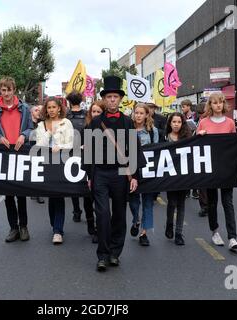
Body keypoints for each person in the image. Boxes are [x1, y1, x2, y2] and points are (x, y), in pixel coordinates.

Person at [85, 76, 146, 272]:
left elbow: (134, 150)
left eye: (115, 97)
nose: (112, 100)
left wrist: (134, 176)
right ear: (104, 99)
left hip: (121, 174)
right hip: (100, 173)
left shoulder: (128, 122)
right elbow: (88, 151)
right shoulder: (95, 122)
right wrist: (88, 175)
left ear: (120, 99)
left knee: (119, 215)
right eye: (109, 97)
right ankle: (102, 255)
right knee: (102, 214)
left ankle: (114, 254)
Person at [0, 77, 34, 243]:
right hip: (4, 153)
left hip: (20, 152)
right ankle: (13, 228)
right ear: (0, 91)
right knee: (8, 194)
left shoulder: (24, 108)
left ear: (13, 90)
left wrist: (24, 135)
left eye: (8, 90)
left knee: (21, 192)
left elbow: (30, 128)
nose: (6, 93)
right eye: (3, 90)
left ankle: (24, 227)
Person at [197, 93, 237, 251]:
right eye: (215, 103)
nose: (218, 105)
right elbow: (196, 146)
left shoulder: (230, 123)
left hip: (226, 169)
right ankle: (215, 231)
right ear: (210, 105)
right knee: (212, 202)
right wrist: (199, 135)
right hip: (210, 169)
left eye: (220, 103)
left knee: (227, 202)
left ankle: (232, 237)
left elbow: (232, 146)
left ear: (224, 104)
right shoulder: (203, 122)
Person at [35, 97, 74, 244]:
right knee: (51, 195)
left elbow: (70, 143)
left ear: (59, 108)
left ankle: (58, 230)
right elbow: (40, 145)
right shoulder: (41, 125)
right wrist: (49, 131)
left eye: (54, 107)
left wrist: (60, 147)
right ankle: (55, 225)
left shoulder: (66, 123)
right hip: (46, 163)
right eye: (49, 107)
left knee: (59, 194)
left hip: (61, 162)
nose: (51, 110)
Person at [129, 104, 159, 246]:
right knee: (134, 201)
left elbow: (158, 150)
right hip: (131, 172)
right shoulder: (127, 130)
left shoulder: (153, 132)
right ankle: (136, 219)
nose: (139, 115)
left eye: (142, 113)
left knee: (148, 203)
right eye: (136, 113)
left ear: (147, 115)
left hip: (148, 172)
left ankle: (144, 233)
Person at [80, 101, 107, 244]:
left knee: (100, 202)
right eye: (93, 112)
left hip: (102, 170)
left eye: (98, 112)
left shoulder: (108, 129)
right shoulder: (86, 128)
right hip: (90, 167)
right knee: (87, 198)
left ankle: (98, 229)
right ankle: (90, 223)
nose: (95, 114)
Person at [164, 112, 192, 246]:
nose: (176, 124)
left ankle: (179, 233)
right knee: (171, 203)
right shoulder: (165, 138)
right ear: (170, 123)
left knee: (181, 204)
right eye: (174, 122)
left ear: (182, 124)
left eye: (179, 122)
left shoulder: (187, 138)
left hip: (183, 176)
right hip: (170, 176)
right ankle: (169, 224)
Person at [66, 91, 88, 222]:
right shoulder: (87, 115)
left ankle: (76, 210)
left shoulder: (66, 116)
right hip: (85, 151)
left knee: (73, 181)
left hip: (70, 153)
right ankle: (85, 211)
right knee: (85, 181)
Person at [181, 99, 198, 199]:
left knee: (194, 168)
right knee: (186, 168)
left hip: (195, 143)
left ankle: (195, 191)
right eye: (182, 107)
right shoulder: (182, 117)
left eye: (183, 106)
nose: (182, 108)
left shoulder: (195, 116)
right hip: (186, 143)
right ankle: (187, 190)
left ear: (188, 106)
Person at [29, 104, 45, 204]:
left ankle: (39, 193)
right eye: (36, 110)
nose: (38, 112)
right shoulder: (27, 124)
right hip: (29, 150)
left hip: (41, 150)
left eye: (40, 110)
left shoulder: (44, 124)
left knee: (39, 171)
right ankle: (33, 191)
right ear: (31, 113)